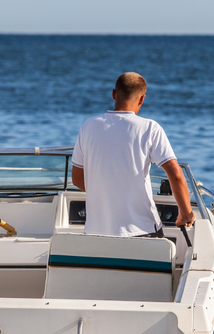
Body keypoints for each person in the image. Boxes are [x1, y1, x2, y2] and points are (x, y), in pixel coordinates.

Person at [71, 72, 196, 237]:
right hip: (142, 231)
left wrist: (109, 192)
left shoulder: (88, 126)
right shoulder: (150, 128)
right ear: (142, 99)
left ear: (114, 93)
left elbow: (78, 179)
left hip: (95, 232)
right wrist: (186, 213)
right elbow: (176, 175)